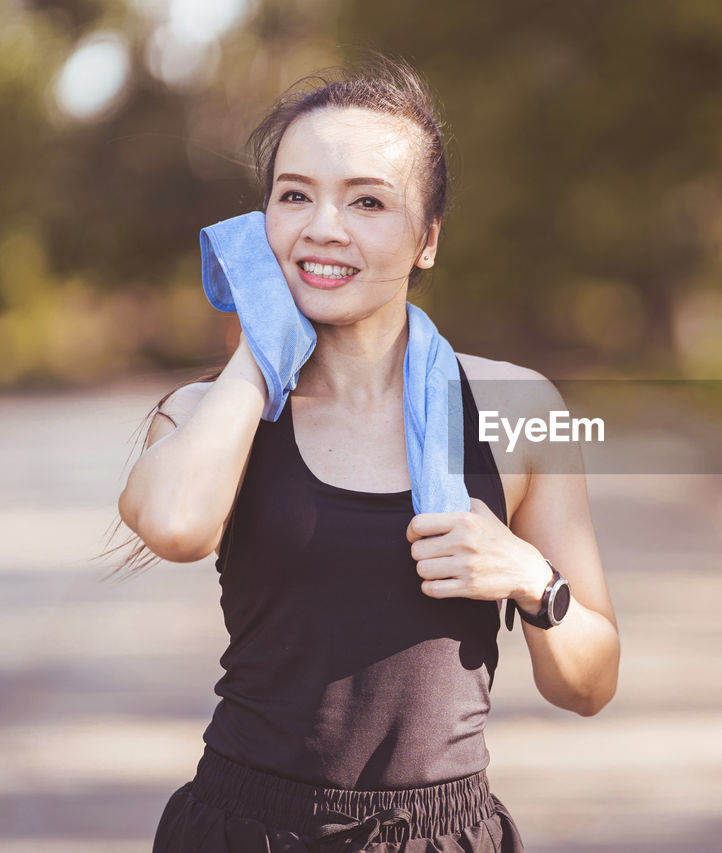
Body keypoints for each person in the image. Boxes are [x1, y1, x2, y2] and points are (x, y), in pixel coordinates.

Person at [114, 55, 620, 852]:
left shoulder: (518, 409)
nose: (323, 226)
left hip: (441, 835)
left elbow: (590, 682)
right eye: (294, 195)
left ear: (426, 240)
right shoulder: (211, 413)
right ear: (261, 223)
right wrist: (260, 345)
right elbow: (177, 524)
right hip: (246, 827)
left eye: (368, 201)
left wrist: (529, 575)